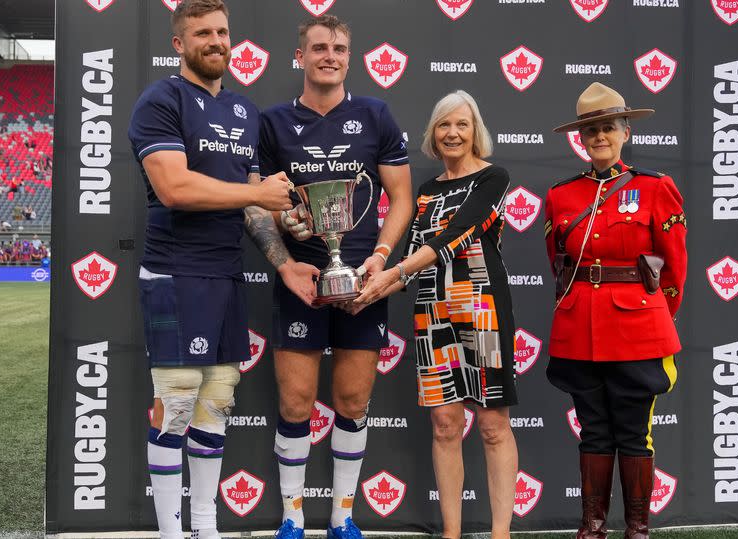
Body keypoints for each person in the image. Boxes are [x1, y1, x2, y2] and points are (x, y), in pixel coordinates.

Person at [127, 2, 318, 538]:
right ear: (179, 43)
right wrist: (256, 191)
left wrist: (284, 263)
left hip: (227, 273)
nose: (216, 41)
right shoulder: (161, 100)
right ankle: (171, 532)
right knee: (177, 398)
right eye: (202, 33)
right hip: (174, 272)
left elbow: (255, 207)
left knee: (217, 401)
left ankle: (205, 527)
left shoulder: (243, 112)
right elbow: (174, 187)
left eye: (222, 32)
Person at [258, 14, 413, 539]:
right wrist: (285, 256)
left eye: (340, 48)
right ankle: (292, 517)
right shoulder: (272, 122)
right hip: (299, 281)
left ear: (350, 56)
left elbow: (402, 198)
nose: (330, 55)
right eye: (319, 47)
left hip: (363, 283)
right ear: (299, 56)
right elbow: (258, 206)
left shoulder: (376, 115)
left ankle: (344, 516)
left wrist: (382, 257)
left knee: (351, 402)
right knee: (296, 403)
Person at [355, 91, 518, 539]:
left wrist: (396, 271)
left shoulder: (493, 178)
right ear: (432, 133)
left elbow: (455, 235)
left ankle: (501, 533)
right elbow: (411, 259)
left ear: (475, 131)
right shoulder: (426, 191)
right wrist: (370, 290)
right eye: (444, 125)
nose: (452, 133)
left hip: (481, 311)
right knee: (446, 425)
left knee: (491, 425)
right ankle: (451, 533)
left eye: (462, 124)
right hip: (432, 314)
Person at [544, 82, 686, 539]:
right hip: (580, 327)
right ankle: (593, 526)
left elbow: (674, 266)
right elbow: (559, 263)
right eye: (590, 131)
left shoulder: (655, 187)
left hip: (639, 326)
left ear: (625, 131)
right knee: (593, 431)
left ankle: (638, 528)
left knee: (634, 432)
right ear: (580, 139)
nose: (599, 137)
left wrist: (658, 317)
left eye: (607, 127)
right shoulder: (561, 195)